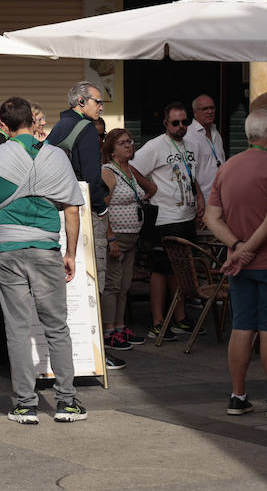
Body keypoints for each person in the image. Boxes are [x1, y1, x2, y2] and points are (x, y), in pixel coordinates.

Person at [0, 96, 87, 425]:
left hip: (8, 248)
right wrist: (71, 253)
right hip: (47, 248)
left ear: (3, 126)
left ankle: (25, 404)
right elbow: (72, 211)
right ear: (32, 122)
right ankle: (66, 402)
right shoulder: (57, 157)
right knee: (57, 327)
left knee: (18, 328)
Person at [203, 109, 267, 420]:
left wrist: (235, 246)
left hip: (239, 266)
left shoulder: (227, 167)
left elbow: (210, 217)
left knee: (242, 326)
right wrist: (247, 250)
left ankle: (238, 395)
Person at [48, 82, 120, 368]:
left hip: (56, 210)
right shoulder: (86, 129)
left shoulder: (59, 126)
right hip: (81, 210)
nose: (101, 108)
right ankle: (94, 352)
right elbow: (90, 175)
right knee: (92, 278)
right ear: (81, 101)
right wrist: (102, 208)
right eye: (98, 102)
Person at [132, 101, 210, 341]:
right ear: (165, 123)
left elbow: (191, 173)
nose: (180, 126)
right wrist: (151, 187)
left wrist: (200, 197)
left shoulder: (191, 144)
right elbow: (132, 167)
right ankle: (158, 322)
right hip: (164, 218)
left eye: (184, 122)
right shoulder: (155, 146)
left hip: (186, 216)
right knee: (160, 270)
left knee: (181, 269)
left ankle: (179, 318)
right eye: (175, 123)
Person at [100, 128, 156, 351]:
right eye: (122, 143)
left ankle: (120, 326)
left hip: (133, 236)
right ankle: (108, 330)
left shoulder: (129, 170)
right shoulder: (108, 172)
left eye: (130, 142)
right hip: (117, 237)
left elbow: (151, 188)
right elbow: (101, 208)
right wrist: (110, 238)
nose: (128, 145)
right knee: (113, 284)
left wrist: (137, 199)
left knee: (125, 285)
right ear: (112, 149)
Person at [189, 94, 226, 173]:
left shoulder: (215, 132)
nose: (210, 112)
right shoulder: (189, 135)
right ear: (195, 112)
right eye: (205, 109)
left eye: (212, 108)